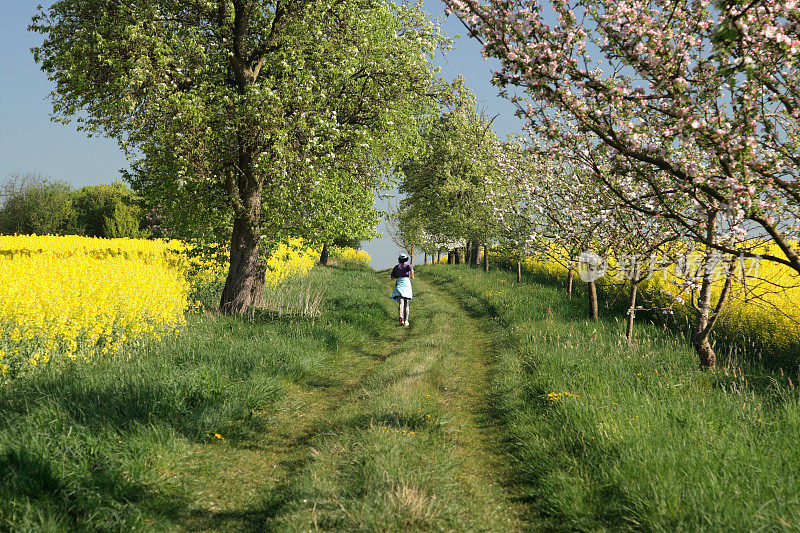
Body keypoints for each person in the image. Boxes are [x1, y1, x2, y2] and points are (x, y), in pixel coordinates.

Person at [390, 253, 414, 326]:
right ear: (406, 259)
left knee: (401, 302)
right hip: (406, 283)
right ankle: (406, 321)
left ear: (399, 259)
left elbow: (392, 277)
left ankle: (401, 317)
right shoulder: (408, 265)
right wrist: (412, 276)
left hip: (399, 283)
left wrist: (396, 276)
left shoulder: (396, 267)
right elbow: (412, 270)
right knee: (406, 304)